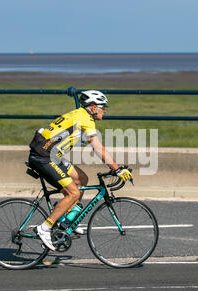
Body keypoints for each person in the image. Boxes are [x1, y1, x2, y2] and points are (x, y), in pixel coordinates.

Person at [27, 90, 133, 251]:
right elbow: (97, 147)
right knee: (74, 193)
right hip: (44, 157)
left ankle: (68, 220)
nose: (104, 110)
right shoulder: (85, 119)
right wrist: (117, 169)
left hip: (52, 156)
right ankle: (44, 228)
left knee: (82, 179)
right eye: (102, 107)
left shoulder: (80, 114)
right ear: (93, 107)